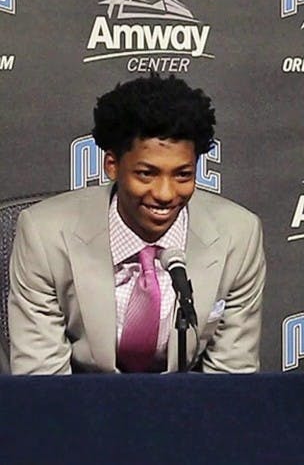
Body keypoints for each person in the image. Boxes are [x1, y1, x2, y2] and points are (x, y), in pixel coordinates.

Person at [8, 74, 265, 374]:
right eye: (146, 174)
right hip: (80, 408)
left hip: (190, 412)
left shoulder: (238, 235)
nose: (165, 194)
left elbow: (231, 378)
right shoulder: (44, 234)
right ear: (112, 165)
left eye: (183, 175)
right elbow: (43, 380)